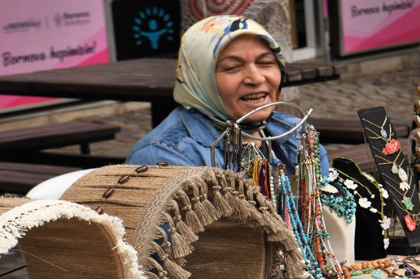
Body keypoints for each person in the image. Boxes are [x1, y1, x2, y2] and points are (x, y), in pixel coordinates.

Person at [126, 15, 329, 176]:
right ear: (199, 79)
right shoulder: (165, 157)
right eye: (233, 67)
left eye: (265, 62)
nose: (256, 78)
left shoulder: (295, 132)